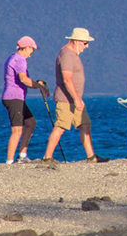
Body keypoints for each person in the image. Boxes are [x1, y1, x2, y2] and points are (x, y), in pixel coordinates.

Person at [43, 28, 106, 163]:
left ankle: (91, 157)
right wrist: (77, 99)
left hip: (75, 99)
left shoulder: (72, 54)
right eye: (85, 43)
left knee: (85, 124)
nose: (87, 46)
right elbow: (67, 79)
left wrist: (78, 99)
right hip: (67, 99)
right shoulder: (67, 55)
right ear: (76, 41)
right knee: (60, 127)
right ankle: (47, 158)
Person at [1, 36, 48, 164]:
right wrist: (40, 87)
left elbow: (24, 81)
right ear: (27, 48)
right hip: (14, 98)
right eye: (32, 50)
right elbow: (24, 79)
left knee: (31, 123)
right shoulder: (20, 60)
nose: (32, 54)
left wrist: (36, 84)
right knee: (17, 130)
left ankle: (22, 155)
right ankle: (9, 161)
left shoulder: (12, 58)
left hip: (17, 98)